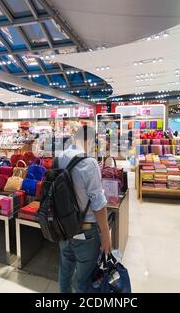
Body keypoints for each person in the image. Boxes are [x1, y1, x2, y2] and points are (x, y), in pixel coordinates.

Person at [57, 125, 111, 293]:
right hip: (85, 231)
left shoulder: (60, 157)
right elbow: (98, 204)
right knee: (84, 280)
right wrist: (106, 235)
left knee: (65, 271)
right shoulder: (89, 163)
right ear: (89, 140)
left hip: (64, 227)